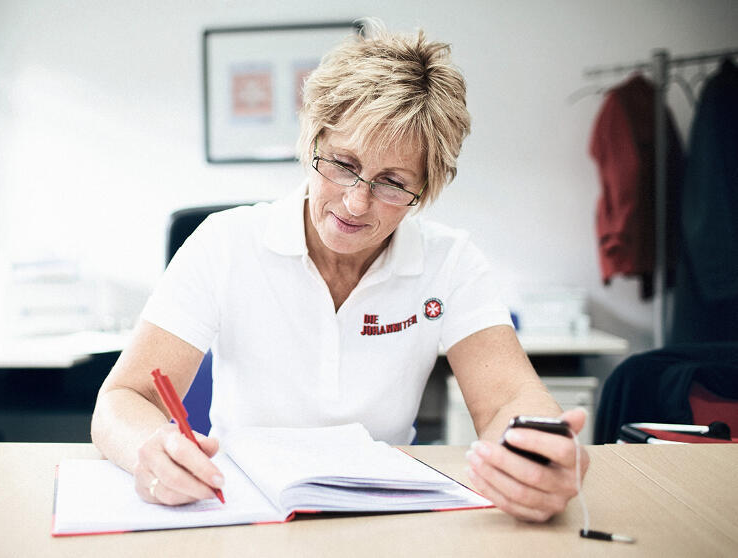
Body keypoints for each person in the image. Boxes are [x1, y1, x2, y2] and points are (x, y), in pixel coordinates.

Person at [91, 20, 589, 523]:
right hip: (242, 509)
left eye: (392, 183)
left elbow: (509, 399)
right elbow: (123, 398)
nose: (355, 203)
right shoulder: (224, 242)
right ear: (313, 141)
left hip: (383, 513)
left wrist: (539, 453)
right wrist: (149, 449)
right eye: (343, 164)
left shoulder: (450, 261)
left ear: (426, 189)